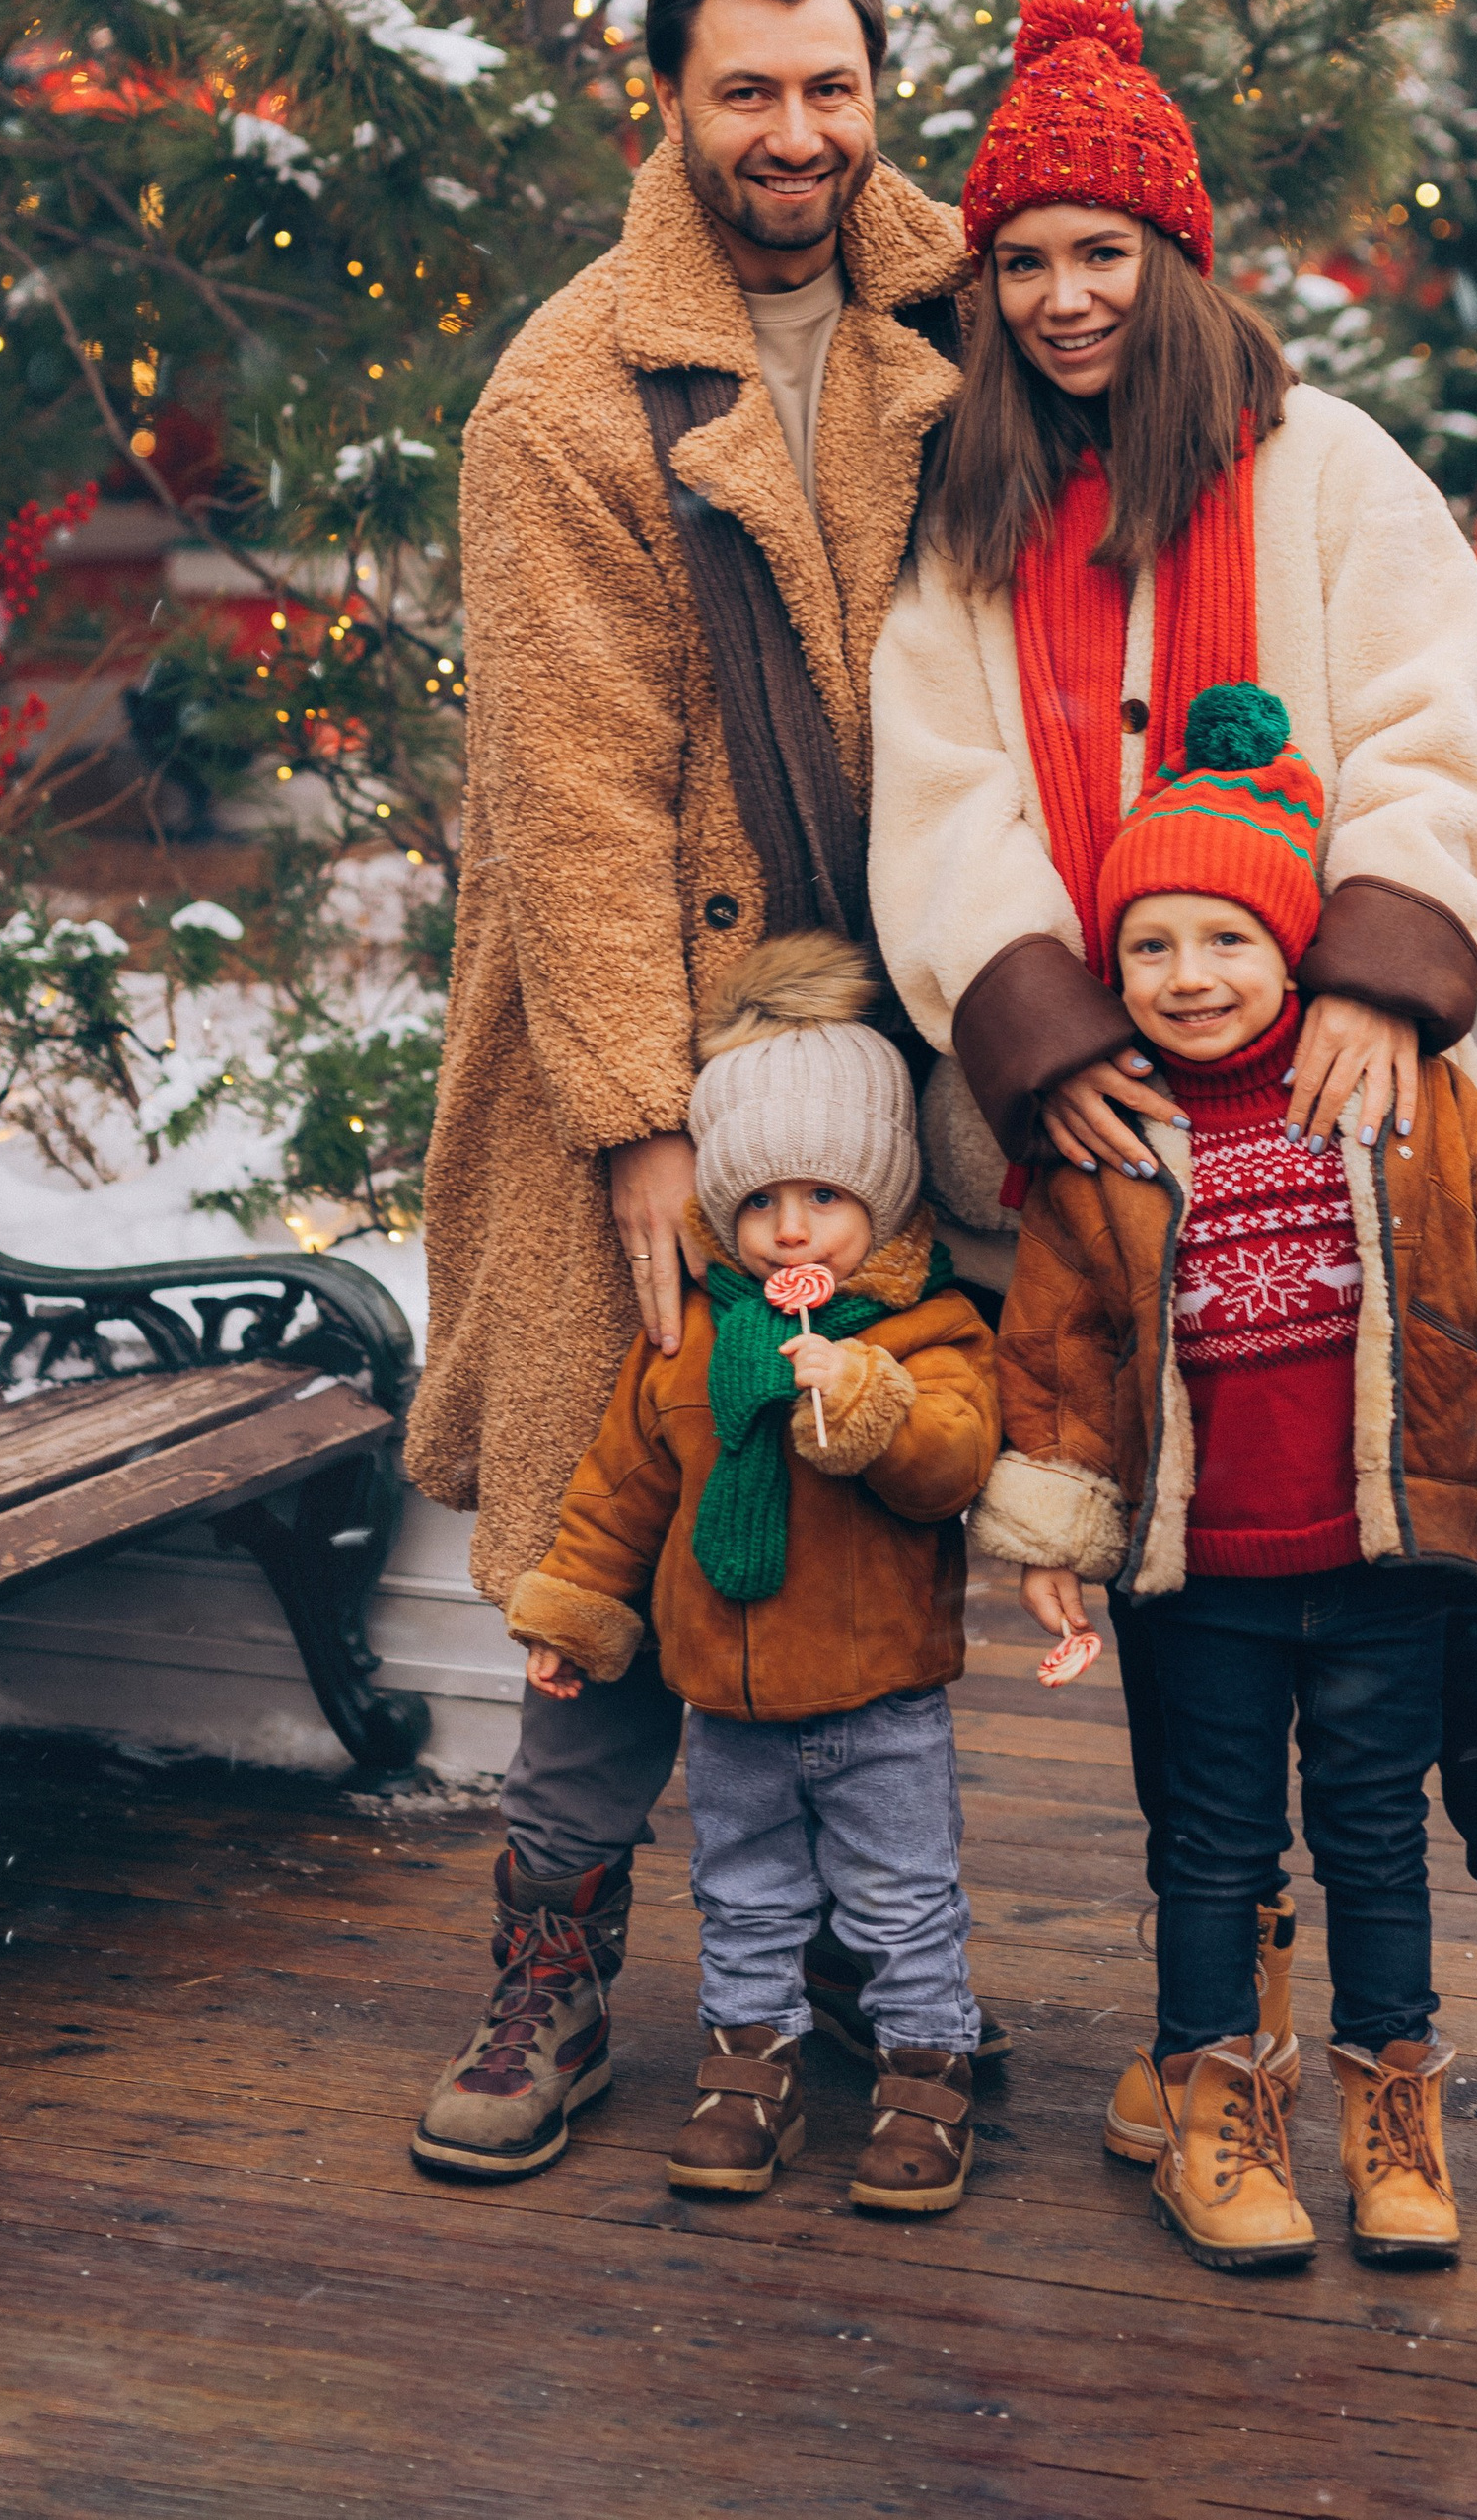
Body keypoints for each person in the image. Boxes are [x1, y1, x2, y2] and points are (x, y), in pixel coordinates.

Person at [867, 0, 1477, 2227]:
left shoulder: (1323, 467)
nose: (1060, 298)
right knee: (1191, 1554)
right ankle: (1227, 1998)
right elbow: (941, 804)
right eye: (1022, 258)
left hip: (1350, 1099)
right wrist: (1046, 1043)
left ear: (1178, 259)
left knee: (1433, 1557)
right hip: (1120, 1144)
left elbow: (1434, 731)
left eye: (1098, 252)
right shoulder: (965, 519)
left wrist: (1383, 977)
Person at [404, 0, 969, 2182]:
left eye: (827, 85)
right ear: (665, 104)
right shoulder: (568, 392)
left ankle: (852, 1956)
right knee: (612, 1498)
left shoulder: (952, 314)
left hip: (887, 1038)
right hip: (637, 1030)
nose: (794, 132)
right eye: (745, 89)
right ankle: (548, 1980)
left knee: (866, 1456)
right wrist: (639, 1123)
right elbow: (569, 785)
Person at [974, 685, 1477, 2268]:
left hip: (1388, 1559)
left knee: (1379, 1836)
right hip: (1207, 1578)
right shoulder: (1107, 1142)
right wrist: (1054, 1509)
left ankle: (1401, 2109)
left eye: (1229, 940)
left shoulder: (1403, 1093)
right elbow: (1054, 1338)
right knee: (1212, 1846)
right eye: (1152, 948)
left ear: (1301, 945)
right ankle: (1219, 2105)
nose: (1189, 978)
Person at [498, 936, 1000, 2213]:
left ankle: (924, 2064)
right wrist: (575, 1615)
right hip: (723, 1693)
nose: (790, 1224)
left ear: (880, 1201)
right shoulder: (691, 1339)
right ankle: (746, 2067)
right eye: (762, 1197)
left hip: (878, 1692)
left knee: (900, 1896)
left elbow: (950, 1463)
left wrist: (873, 1401)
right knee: (744, 1894)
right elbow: (620, 1490)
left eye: (824, 1197)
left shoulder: (922, 1329)